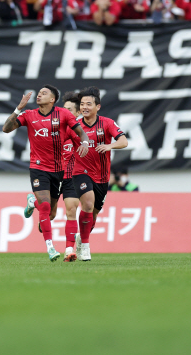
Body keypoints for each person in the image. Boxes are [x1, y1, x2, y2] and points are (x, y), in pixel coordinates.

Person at [2, 86, 90, 262]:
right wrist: (18, 108)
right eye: (39, 92)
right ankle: (51, 248)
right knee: (45, 207)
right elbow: (6, 128)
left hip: (59, 171)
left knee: (50, 214)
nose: (39, 94)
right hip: (38, 168)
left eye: (44, 93)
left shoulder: (63, 115)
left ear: (52, 99)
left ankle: (32, 202)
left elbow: (80, 133)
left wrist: (85, 143)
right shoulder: (28, 115)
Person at [72, 87, 128, 261]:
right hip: (80, 171)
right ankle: (86, 248)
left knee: (93, 214)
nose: (84, 107)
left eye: (89, 104)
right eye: (82, 104)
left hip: (102, 177)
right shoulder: (74, 125)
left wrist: (109, 146)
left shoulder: (107, 123)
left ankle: (82, 238)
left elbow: (124, 141)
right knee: (87, 204)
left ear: (98, 107)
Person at [59, 91, 83, 262]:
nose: (65, 112)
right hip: (52, 175)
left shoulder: (80, 132)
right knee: (50, 213)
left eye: (69, 110)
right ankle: (35, 203)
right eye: (64, 109)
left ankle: (69, 250)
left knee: (71, 211)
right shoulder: (55, 129)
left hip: (71, 177)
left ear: (77, 113)